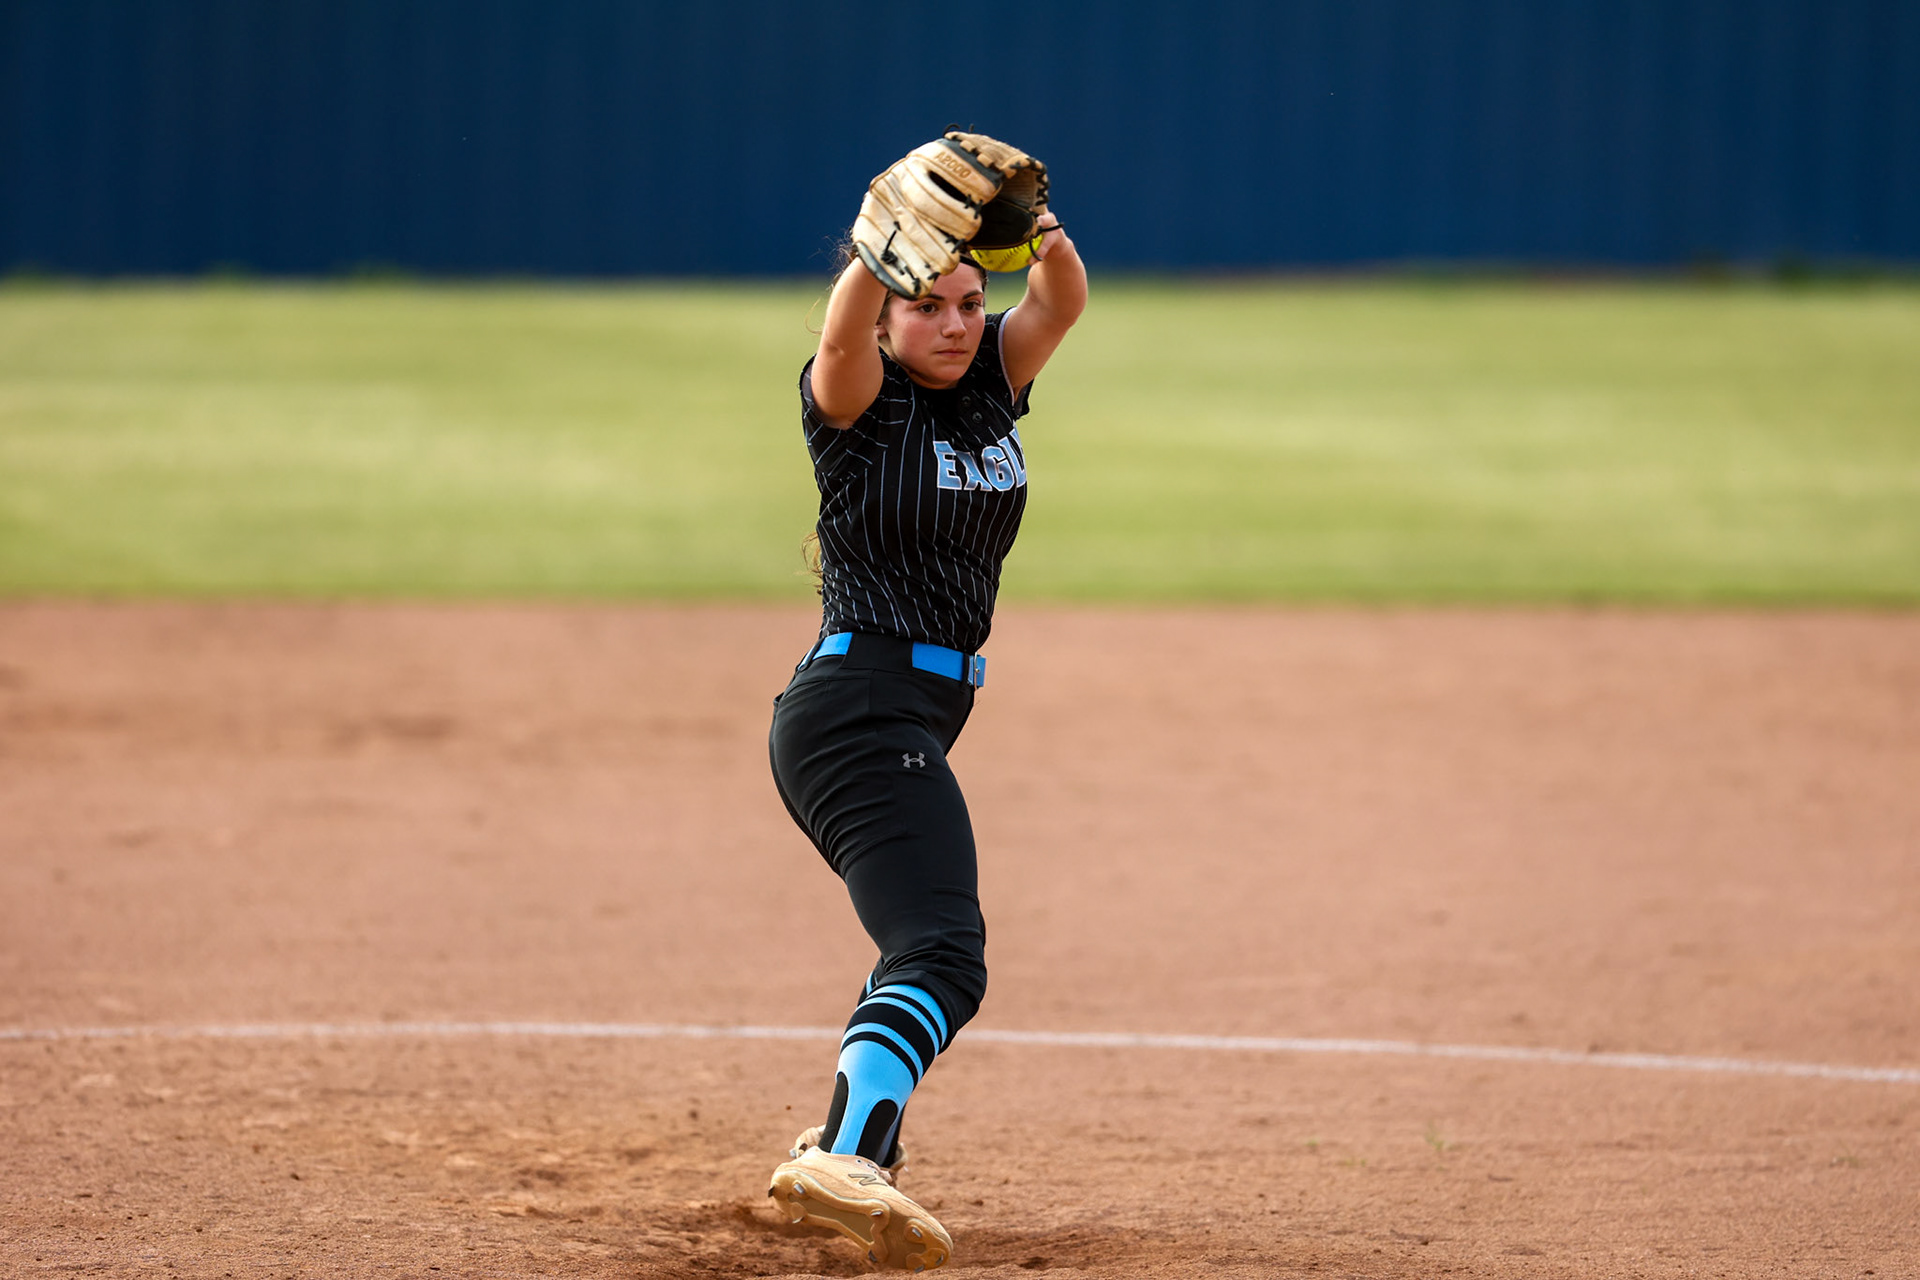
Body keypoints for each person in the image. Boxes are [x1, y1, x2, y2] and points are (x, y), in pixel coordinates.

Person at [763, 147, 1087, 1272]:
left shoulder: (992, 385)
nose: (954, 324)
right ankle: (848, 1154)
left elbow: (1062, 302)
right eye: (929, 306)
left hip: (907, 713)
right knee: (945, 949)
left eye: (966, 303)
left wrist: (1034, 223)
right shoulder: (861, 409)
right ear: (893, 314)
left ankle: (856, 1138)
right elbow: (843, 341)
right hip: (855, 709)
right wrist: (872, 255)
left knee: (921, 940)